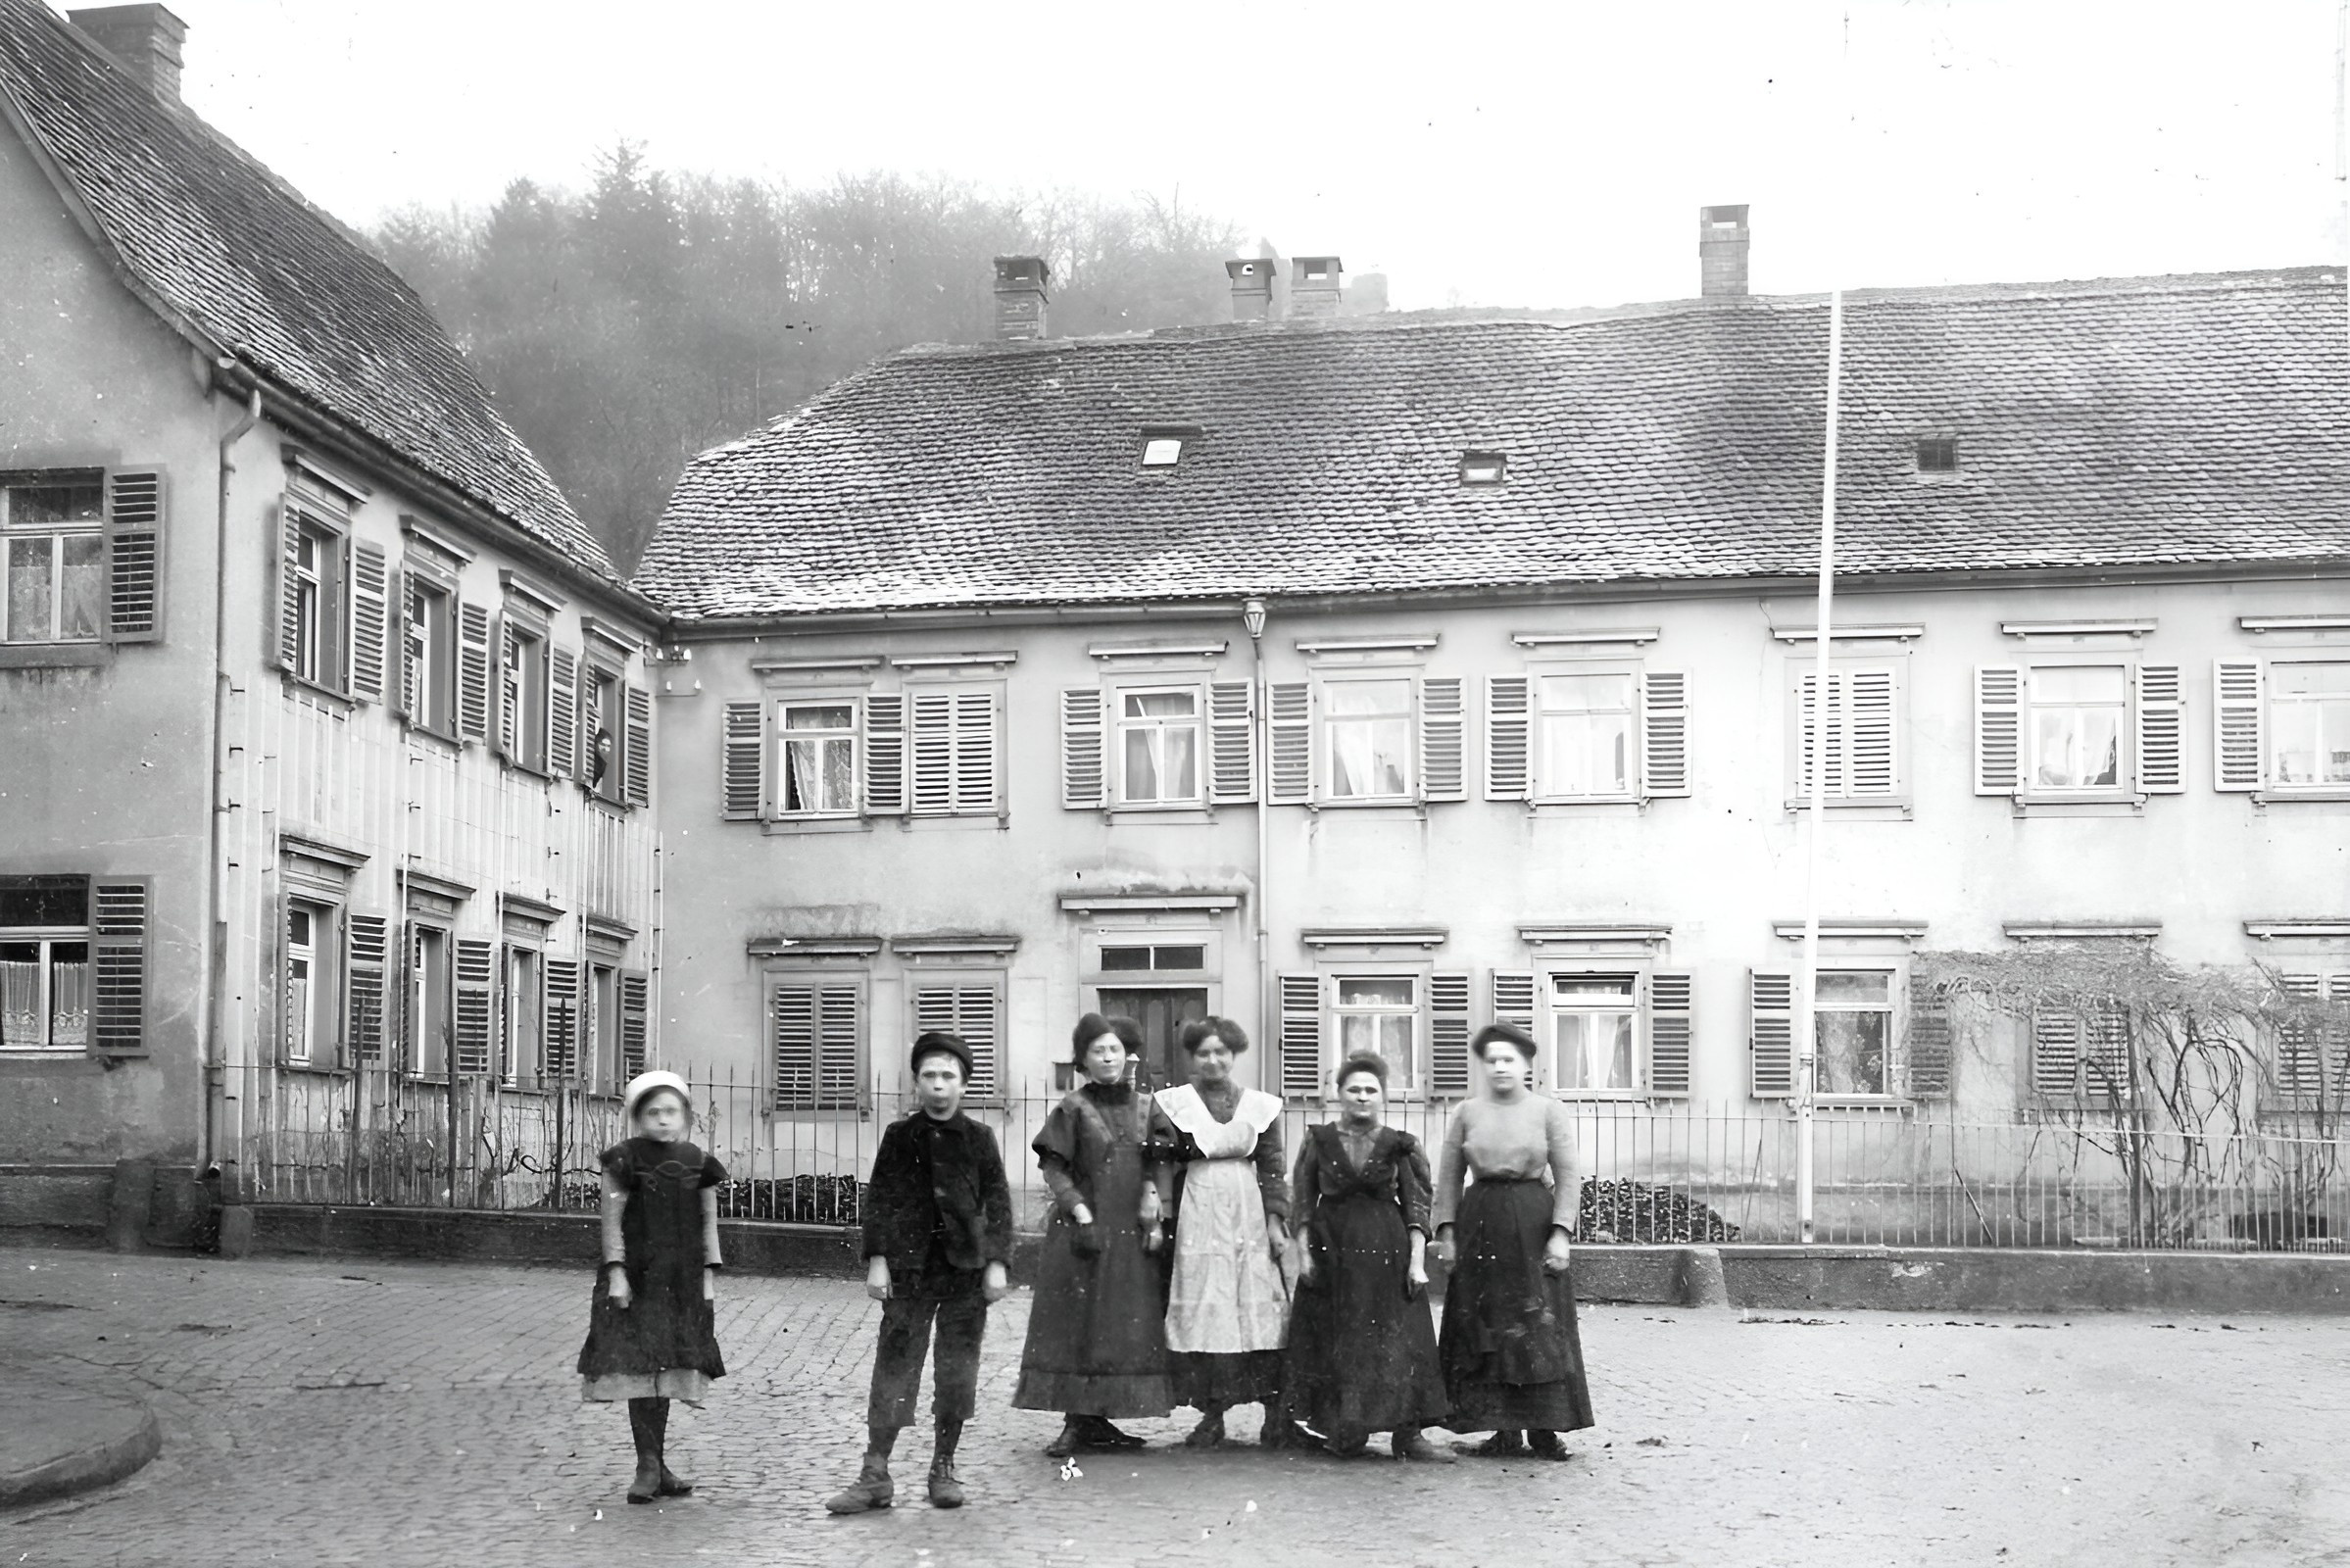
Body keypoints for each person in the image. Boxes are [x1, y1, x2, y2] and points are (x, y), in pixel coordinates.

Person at [826, 1031, 1013, 1514]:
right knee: (895, 1366)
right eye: (929, 1075)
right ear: (916, 1083)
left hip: (964, 1272)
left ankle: (943, 1465)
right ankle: (875, 1474)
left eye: (948, 1076)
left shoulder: (979, 1139)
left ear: (964, 1085)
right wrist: (878, 1259)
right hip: (909, 1271)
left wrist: (996, 1262)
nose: (938, 1085)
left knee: (956, 1372)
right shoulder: (899, 1137)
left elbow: (997, 1203)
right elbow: (882, 1200)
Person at [1013, 1014, 1176, 1456]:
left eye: (1114, 1049)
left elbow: (1161, 1159)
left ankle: (1099, 1419)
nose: (1108, 1057)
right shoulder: (1072, 1107)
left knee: (1118, 1325)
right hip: (1082, 1233)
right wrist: (1079, 1209)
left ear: (1128, 1056)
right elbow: (1053, 1166)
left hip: (1131, 1234)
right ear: (1084, 1059)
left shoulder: (1147, 1105)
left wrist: (1153, 1197)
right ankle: (1076, 1421)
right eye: (1098, 1050)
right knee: (1079, 1324)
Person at [1434, 1023, 1595, 1460]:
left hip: (1531, 1222)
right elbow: (1448, 1176)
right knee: (1485, 1325)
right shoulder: (1467, 1112)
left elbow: (1568, 1175)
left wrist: (1560, 1233)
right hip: (1480, 1223)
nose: (1500, 1067)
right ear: (1483, 1066)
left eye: (1509, 1059)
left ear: (1526, 1064)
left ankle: (1545, 1429)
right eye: (1492, 1060)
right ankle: (1501, 1430)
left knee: (1537, 1325)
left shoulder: (1547, 1110)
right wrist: (1446, 1232)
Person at [1281, 1053, 1453, 1461]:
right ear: (1338, 1094)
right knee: (1339, 1338)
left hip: (1386, 1252)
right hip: (1331, 1251)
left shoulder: (1400, 1144)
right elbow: (1302, 1201)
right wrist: (1302, 1252)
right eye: (1353, 1089)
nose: (1362, 1096)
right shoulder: (1318, 1140)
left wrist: (1416, 1262)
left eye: (1370, 1090)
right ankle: (1346, 1429)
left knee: (1397, 1341)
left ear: (1383, 1096)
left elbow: (1417, 1207)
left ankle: (1407, 1434)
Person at [1154, 1016, 1310, 1450]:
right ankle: (1212, 1414)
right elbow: (1162, 1161)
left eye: (1221, 1052)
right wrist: (1164, 1214)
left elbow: (1274, 1167)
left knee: (1261, 1309)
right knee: (1208, 1309)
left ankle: (1275, 1415)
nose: (1213, 1060)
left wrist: (1277, 1219)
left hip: (1249, 1212)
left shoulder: (1261, 1106)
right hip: (1196, 1210)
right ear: (1191, 1057)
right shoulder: (1173, 1104)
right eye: (1203, 1052)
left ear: (1234, 1055)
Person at [575, 1069, 727, 1504]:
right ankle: (646, 1466)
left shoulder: (698, 1162)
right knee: (642, 1370)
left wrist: (708, 1276)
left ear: (686, 1117)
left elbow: (707, 1225)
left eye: (671, 1111)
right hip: (637, 1280)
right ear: (638, 1116)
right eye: (653, 1112)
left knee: (668, 1368)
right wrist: (617, 1272)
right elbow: (612, 1223)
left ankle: (657, 1465)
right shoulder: (622, 1159)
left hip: (681, 1281)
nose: (663, 1119)